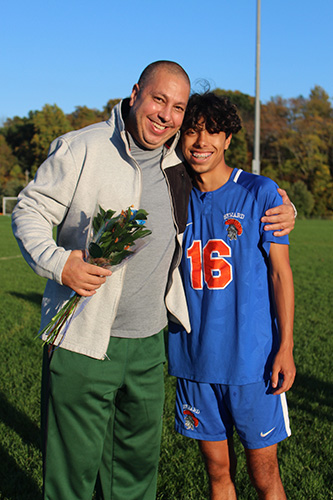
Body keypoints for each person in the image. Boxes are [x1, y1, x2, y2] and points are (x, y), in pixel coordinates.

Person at [12, 62, 295, 500]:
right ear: (135, 93)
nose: (166, 115)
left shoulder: (177, 164)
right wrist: (58, 262)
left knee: (135, 474)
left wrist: (282, 205)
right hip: (87, 338)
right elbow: (29, 210)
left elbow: (227, 182)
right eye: (158, 100)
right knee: (73, 477)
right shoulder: (82, 148)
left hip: (150, 347)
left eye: (177, 107)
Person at [168, 92, 296, 500]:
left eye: (213, 132)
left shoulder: (259, 192)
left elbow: (280, 274)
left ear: (227, 140)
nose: (201, 141)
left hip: (252, 365)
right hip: (194, 361)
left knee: (264, 476)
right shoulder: (170, 194)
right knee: (218, 473)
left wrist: (286, 347)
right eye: (191, 130)